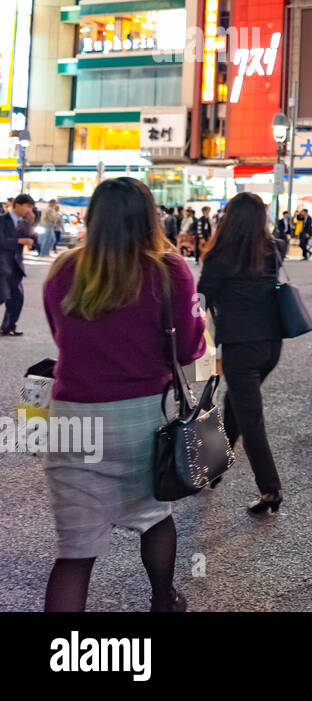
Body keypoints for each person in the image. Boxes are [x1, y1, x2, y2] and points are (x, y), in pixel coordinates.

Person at [41, 177, 204, 611]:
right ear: (148, 218)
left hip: (72, 418)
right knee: (154, 515)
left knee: (74, 553)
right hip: (140, 417)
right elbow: (189, 348)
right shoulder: (168, 271)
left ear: (93, 219)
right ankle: (162, 601)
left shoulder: (63, 271)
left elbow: (62, 338)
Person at [197, 192, 287, 515]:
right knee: (235, 403)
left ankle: (270, 490)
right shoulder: (275, 249)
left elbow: (201, 299)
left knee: (251, 420)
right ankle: (213, 469)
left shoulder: (220, 256)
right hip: (271, 345)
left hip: (240, 347)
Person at [1, 193, 35, 336]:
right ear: (18, 205)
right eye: (27, 206)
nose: (29, 210)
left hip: (16, 266)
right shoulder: (2, 220)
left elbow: (33, 242)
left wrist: (32, 222)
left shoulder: (24, 223)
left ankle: (9, 326)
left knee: (17, 298)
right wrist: (18, 241)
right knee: (2, 295)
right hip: (2, 265)